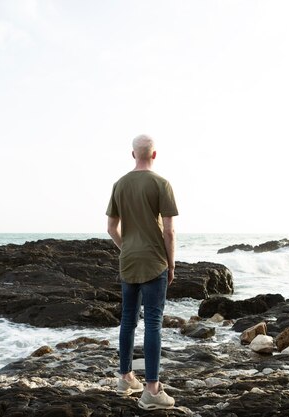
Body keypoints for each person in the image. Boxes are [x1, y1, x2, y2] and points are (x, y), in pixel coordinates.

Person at [106, 134, 178, 410]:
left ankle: (125, 378)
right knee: (153, 323)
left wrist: (127, 248)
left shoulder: (119, 184)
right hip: (154, 261)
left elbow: (112, 228)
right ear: (154, 155)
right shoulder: (161, 184)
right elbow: (169, 231)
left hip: (129, 260)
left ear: (133, 154)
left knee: (127, 320)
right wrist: (170, 264)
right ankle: (152, 390)